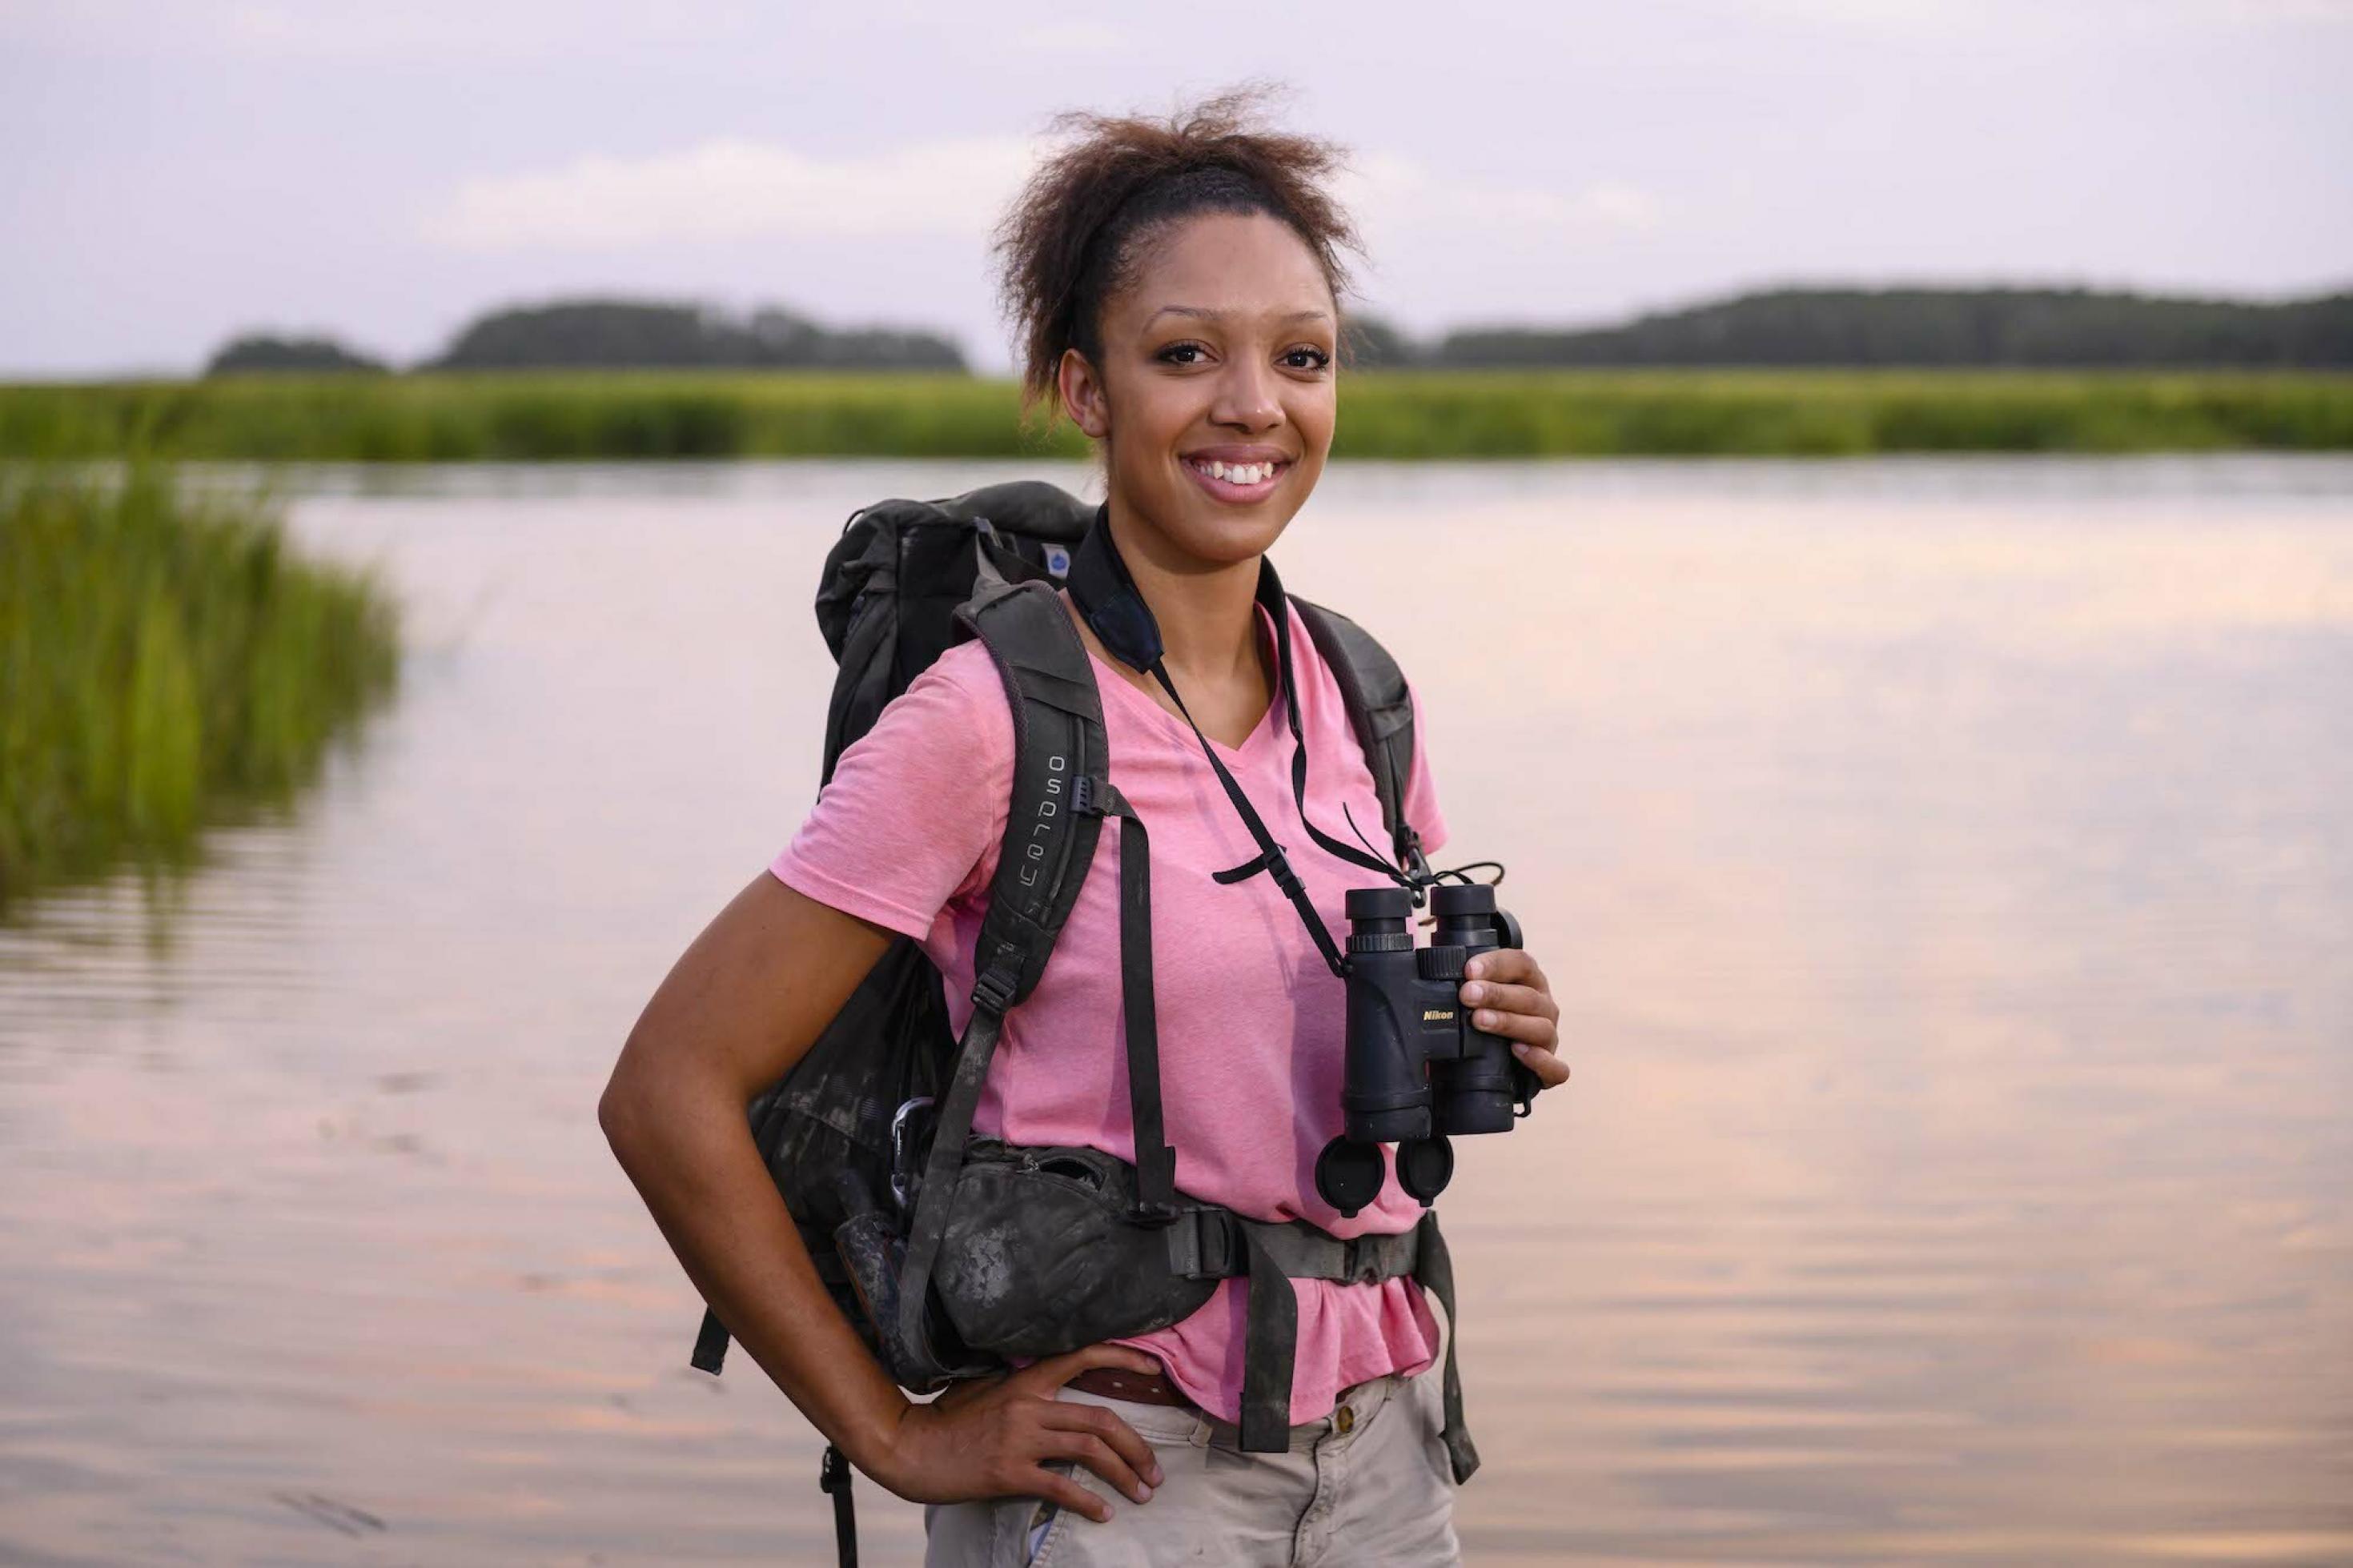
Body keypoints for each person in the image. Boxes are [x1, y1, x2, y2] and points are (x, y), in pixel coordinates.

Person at [599, 87, 1569, 1567]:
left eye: (1300, 358)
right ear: (1082, 389)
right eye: (1186, 354)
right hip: (1125, 1473)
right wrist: (900, 1436)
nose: (1255, 405)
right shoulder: (990, 719)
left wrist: (1492, 1019)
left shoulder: (1362, 693)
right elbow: (669, 1091)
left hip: (1390, 1438)